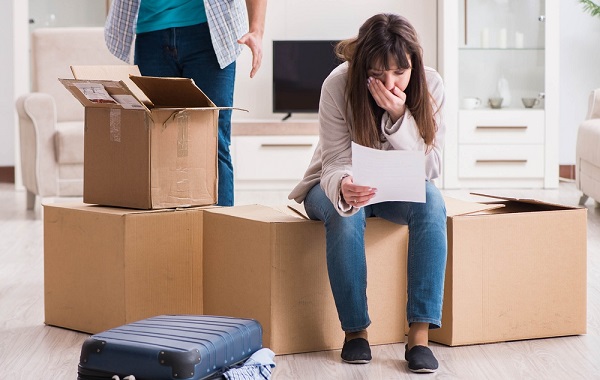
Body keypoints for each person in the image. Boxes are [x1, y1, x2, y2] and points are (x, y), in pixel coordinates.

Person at [288, 13, 447, 373]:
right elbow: (333, 163)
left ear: (414, 64)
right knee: (346, 214)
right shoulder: (338, 84)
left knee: (433, 201)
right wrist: (345, 186)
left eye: (399, 73)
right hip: (332, 184)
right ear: (362, 67)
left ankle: (419, 336)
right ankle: (355, 332)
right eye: (377, 73)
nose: (389, 83)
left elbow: (434, 166)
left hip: (395, 188)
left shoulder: (431, 84)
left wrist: (399, 116)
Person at [104, 0, 267, 206]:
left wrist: (257, 30)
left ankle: (221, 233)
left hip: (210, 32)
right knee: (158, 145)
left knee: (213, 143)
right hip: (151, 33)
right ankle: (167, 233)